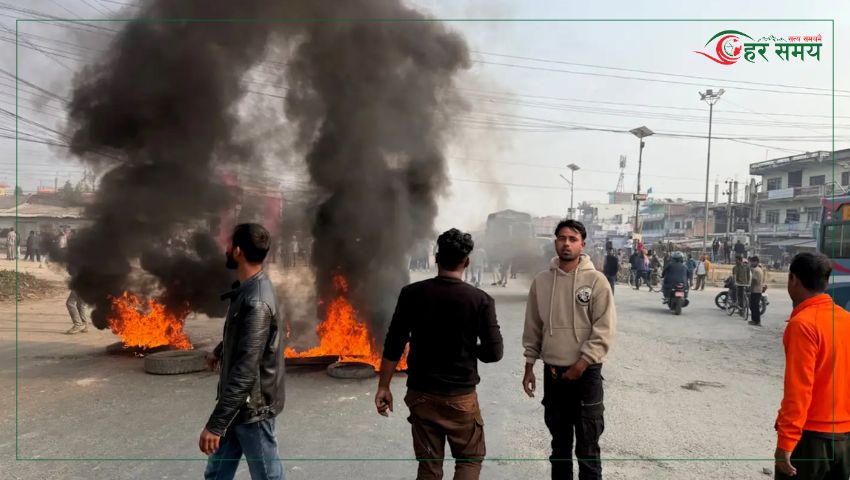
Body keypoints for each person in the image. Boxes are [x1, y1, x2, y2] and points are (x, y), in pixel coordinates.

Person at [377, 228, 503, 480]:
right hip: (461, 397)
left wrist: (384, 386)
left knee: (429, 467)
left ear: (436, 258)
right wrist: (469, 347)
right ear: (467, 262)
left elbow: (394, 343)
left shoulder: (411, 293)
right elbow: (494, 353)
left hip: (421, 395)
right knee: (469, 460)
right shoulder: (480, 300)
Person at [522, 219, 616, 480]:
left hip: (587, 375)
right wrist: (529, 365)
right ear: (555, 243)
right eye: (562, 238)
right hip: (554, 375)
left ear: (582, 244)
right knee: (560, 447)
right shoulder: (541, 282)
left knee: (588, 448)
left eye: (573, 239)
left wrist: (582, 364)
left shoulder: (597, 281)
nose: (567, 243)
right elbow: (533, 327)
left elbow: (604, 329)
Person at [201, 223, 286, 480]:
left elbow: (246, 370)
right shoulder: (248, 288)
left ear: (237, 251)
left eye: (229, 245)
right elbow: (247, 337)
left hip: (252, 411)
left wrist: (216, 424)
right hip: (237, 405)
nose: (226, 249)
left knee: (267, 477)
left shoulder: (256, 299)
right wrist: (220, 350)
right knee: (216, 475)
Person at [773, 252, 850, 479]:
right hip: (844, 439)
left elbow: (799, 390)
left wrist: (786, 441)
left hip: (811, 440)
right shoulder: (845, 319)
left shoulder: (803, 325)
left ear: (793, 280)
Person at [748, 256, 766, 326]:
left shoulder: (756, 270)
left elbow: (754, 280)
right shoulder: (759, 269)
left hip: (755, 290)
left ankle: (757, 321)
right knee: (754, 306)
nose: (751, 263)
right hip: (758, 290)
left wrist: (750, 287)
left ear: (756, 262)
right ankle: (754, 320)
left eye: (752, 262)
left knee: (754, 306)